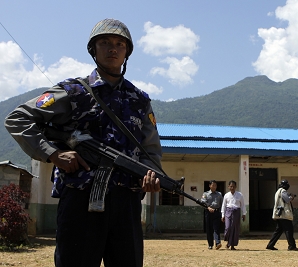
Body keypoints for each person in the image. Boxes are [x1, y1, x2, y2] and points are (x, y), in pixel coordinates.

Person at [4, 19, 162, 267]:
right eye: (105, 42)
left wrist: (152, 175)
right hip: (80, 199)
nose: (113, 48)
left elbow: (151, 150)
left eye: (120, 44)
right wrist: (53, 154)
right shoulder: (73, 92)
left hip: (126, 203)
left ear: (126, 53)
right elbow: (17, 119)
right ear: (93, 50)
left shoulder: (140, 100)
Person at [266, 179, 298, 251]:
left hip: (280, 215)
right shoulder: (283, 191)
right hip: (284, 214)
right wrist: (292, 197)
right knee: (289, 230)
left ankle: (270, 245)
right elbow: (287, 200)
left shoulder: (278, 191)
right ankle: (292, 246)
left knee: (278, 231)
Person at [221, 180, 246, 250]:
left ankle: (232, 245)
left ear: (236, 187)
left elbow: (243, 205)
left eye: (233, 186)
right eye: (231, 186)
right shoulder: (226, 195)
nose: (232, 188)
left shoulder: (240, 195)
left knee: (234, 229)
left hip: (236, 212)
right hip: (228, 211)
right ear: (228, 187)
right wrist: (223, 215)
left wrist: (244, 214)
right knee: (228, 227)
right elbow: (224, 205)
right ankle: (228, 241)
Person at [201, 180, 223, 250]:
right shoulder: (206, 194)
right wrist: (208, 207)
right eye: (213, 185)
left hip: (216, 212)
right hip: (208, 212)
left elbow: (222, 203)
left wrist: (222, 213)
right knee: (209, 229)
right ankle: (210, 244)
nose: (214, 187)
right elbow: (203, 202)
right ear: (209, 186)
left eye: (215, 185)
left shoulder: (219, 194)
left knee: (216, 228)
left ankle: (217, 242)